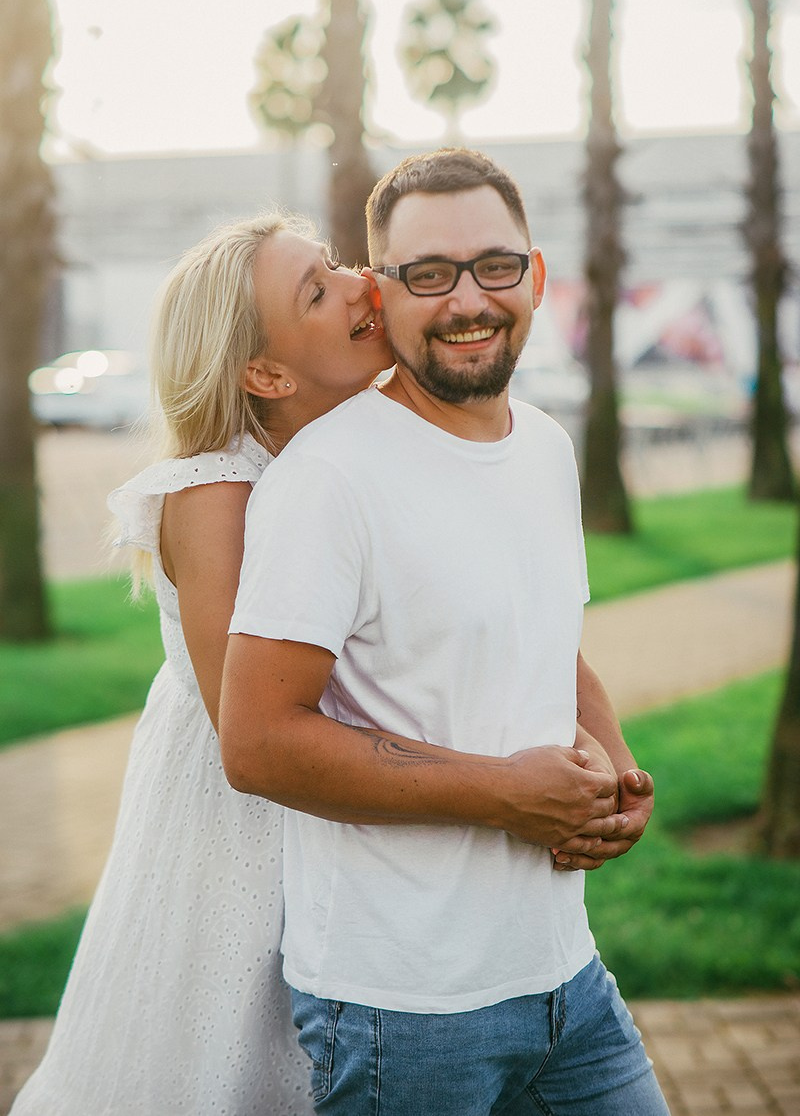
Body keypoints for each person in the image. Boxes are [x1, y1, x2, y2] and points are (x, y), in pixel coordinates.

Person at [11, 206, 648, 1116]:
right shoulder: (221, 493)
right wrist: (508, 785)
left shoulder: (399, 444)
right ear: (265, 370)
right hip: (255, 842)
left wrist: (602, 756)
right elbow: (262, 728)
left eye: (343, 265)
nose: (360, 285)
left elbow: (514, 621)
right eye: (318, 289)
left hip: (399, 835)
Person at [219, 150, 669, 1114]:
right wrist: (508, 795)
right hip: (403, 1010)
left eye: (494, 266)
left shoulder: (546, 447)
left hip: (565, 973)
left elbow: (543, 630)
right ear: (381, 294)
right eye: (428, 274)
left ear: (536, 278)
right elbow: (257, 743)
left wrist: (618, 767)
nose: (468, 299)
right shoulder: (329, 480)